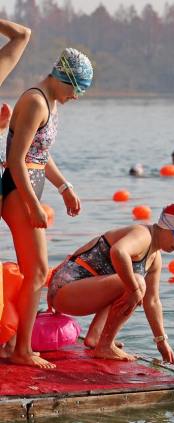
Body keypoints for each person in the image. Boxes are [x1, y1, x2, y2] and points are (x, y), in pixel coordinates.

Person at [1, 48, 92, 368]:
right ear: (65, 78)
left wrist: (64, 187)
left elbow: (42, 153)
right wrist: (31, 203)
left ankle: (15, 342)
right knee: (38, 271)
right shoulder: (36, 101)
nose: (77, 97)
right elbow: (15, 160)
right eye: (78, 89)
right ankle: (20, 350)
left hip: (30, 189)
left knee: (34, 272)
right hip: (17, 192)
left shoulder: (49, 103)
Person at [47, 202, 174, 363]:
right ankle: (105, 346)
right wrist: (133, 289)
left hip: (77, 293)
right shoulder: (143, 234)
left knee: (134, 285)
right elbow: (118, 251)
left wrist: (161, 340)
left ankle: (96, 338)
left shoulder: (155, 257)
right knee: (136, 283)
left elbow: (152, 301)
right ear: (164, 226)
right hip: (64, 290)